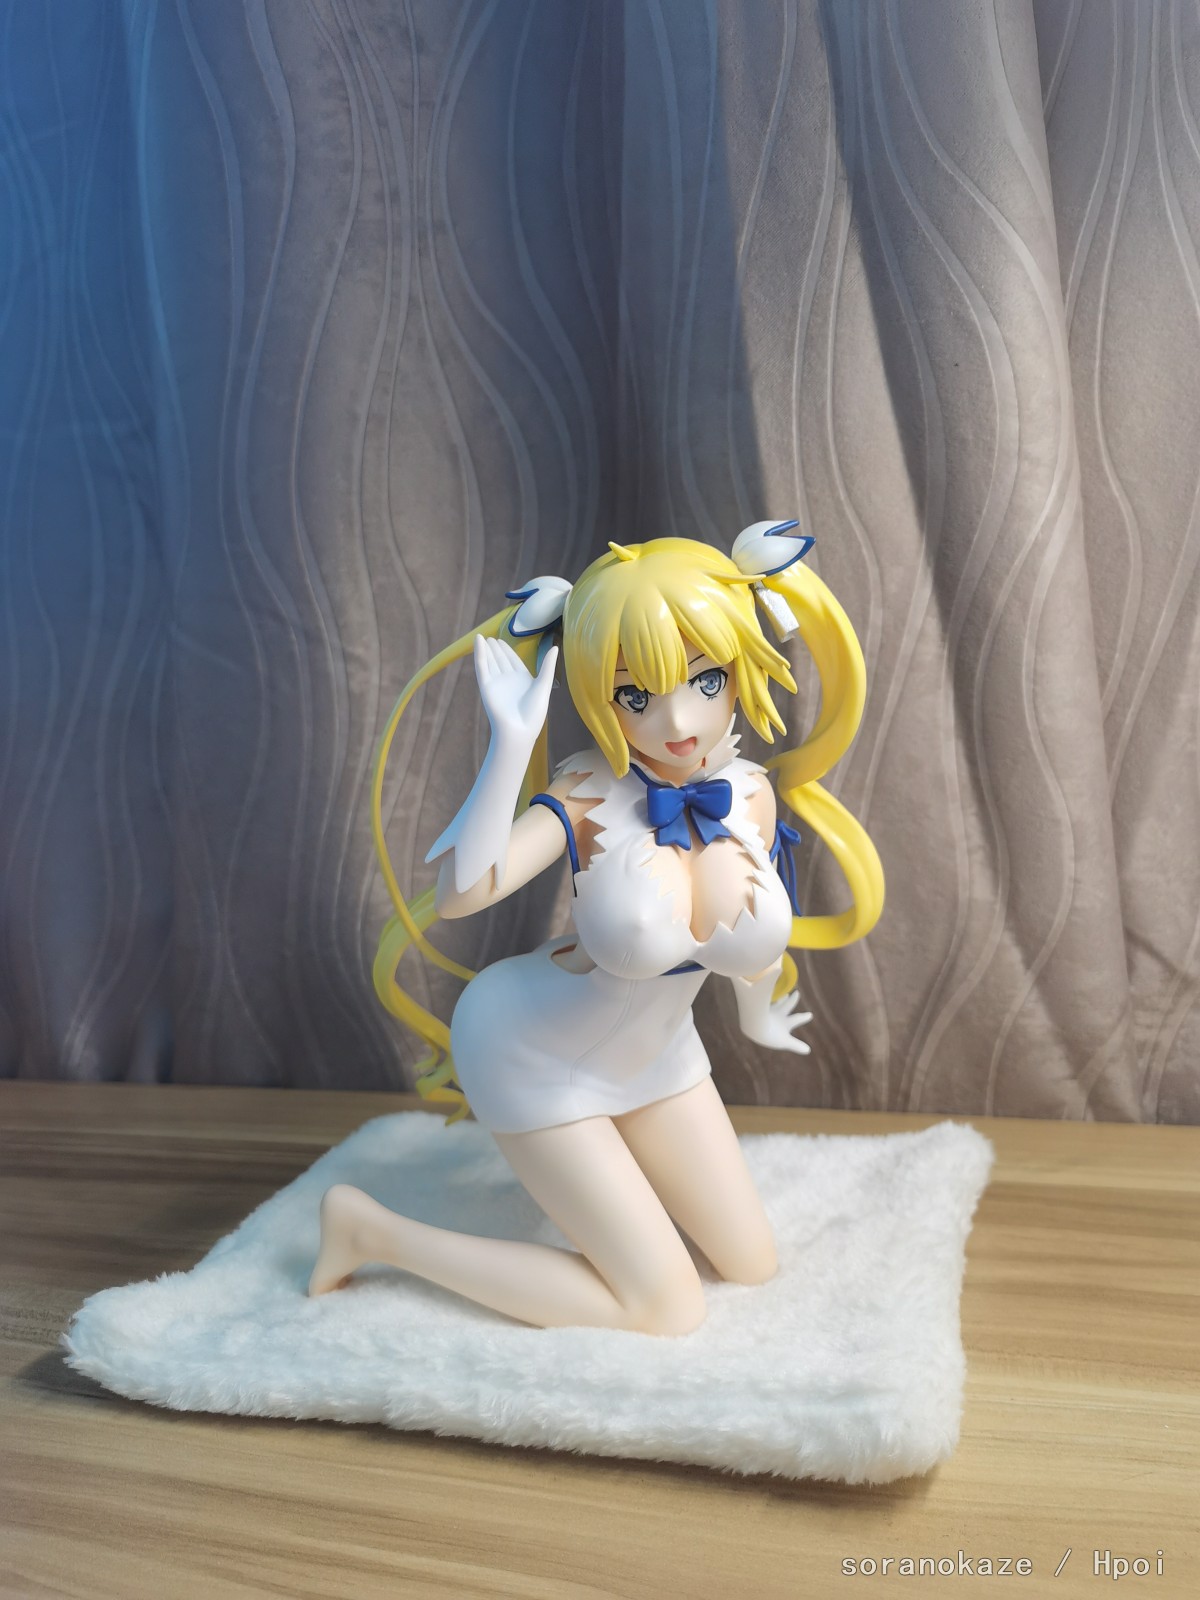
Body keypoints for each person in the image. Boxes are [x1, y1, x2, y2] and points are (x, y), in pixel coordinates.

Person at [308, 526, 883, 1334]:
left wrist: (757, 1013)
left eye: (705, 680)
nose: (677, 719)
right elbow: (463, 895)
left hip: (657, 1054)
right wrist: (509, 748)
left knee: (753, 1264)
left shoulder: (750, 793)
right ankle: (372, 1233)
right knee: (667, 1309)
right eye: (635, 696)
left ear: (739, 664)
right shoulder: (588, 791)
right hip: (533, 1049)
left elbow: (746, 939)